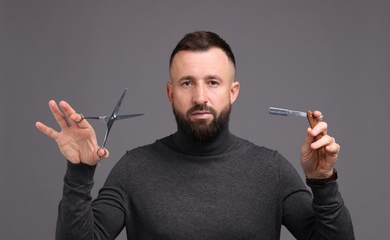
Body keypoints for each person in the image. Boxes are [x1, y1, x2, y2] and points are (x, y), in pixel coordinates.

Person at [36, 31, 355, 240]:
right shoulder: (134, 170)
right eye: (187, 83)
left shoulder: (270, 171)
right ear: (170, 93)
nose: (201, 96)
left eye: (213, 82)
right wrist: (79, 174)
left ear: (233, 92)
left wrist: (323, 181)